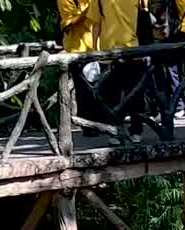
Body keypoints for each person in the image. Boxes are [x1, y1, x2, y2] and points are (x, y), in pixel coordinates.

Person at [89, 0, 148, 136]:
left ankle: (116, 131)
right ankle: (135, 131)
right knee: (132, 93)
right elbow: (145, 14)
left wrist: (93, 49)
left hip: (112, 50)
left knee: (113, 95)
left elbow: (96, 24)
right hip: (132, 48)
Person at [57, 0, 101, 126]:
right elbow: (70, 22)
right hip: (77, 50)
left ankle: (100, 121)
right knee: (83, 91)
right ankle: (87, 125)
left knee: (100, 88)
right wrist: (89, 10)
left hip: (96, 47)